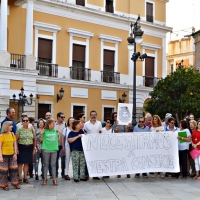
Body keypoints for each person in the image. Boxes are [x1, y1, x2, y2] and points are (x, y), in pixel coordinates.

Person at [0, 121, 20, 191]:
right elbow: (0, 147)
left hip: (12, 155)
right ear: (6, 127)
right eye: (10, 125)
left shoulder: (12, 134)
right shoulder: (2, 136)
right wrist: (0, 156)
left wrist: (15, 153)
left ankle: (15, 183)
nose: (12, 126)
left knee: (14, 170)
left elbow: (15, 144)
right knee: (4, 171)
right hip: (4, 155)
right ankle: (4, 185)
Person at [16, 116, 36, 184]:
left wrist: (34, 148)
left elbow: (34, 139)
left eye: (26, 120)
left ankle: (25, 178)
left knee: (27, 163)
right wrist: (17, 149)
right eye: (23, 120)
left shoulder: (31, 129)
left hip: (29, 147)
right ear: (22, 122)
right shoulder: (19, 129)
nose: (25, 122)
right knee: (20, 163)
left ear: (28, 121)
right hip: (21, 147)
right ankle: (20, 178)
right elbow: (16, 140)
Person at [111, 111, 132, 178]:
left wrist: (128, 127)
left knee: (125, 157)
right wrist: (116, 125)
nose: (116, 117)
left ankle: (127, 172)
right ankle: (119, 172)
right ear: (113, 118)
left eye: (117, 115)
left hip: (124, 142)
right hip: (117, 143)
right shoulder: (113, 124)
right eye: (115, 116)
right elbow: (115, 132)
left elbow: (126, 132)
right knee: (119, 157)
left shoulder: (123, 123)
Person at [40, 119, 60, 186]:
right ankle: (45, 178)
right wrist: (41, 134)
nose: (54, 125)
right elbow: (40, 140)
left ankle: (54, 179)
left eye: (54, 124)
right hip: (46, 149)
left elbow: (58, 140)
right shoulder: (44, 131)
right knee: (46, 164)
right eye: (52, 124)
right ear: (48, 124)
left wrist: (59, 134)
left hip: (54, 149)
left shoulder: (55, 131)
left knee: (53, 165)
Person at [84, 110, 102, 180]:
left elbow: (100, 132)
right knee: (88, 159)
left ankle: (95, 174)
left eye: (95, 114)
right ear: (90, 115)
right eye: (92, 114)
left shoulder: (99, 123)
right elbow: (84, 132)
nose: (93, 116)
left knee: (96, 159)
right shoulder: (86, 124)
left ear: (96, 115)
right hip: (88, 144)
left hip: (97, 145)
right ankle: (87, 174)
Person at [54, 112, 66, 178]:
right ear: (58, 117)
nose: (63, 118)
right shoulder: (54, 124)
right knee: (55, 160)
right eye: (62, 117)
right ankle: (55, 173)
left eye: (64, 117)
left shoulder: (65, 124)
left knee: (63, 160)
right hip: (55, 145)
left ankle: (63, 173)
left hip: (63, 144)